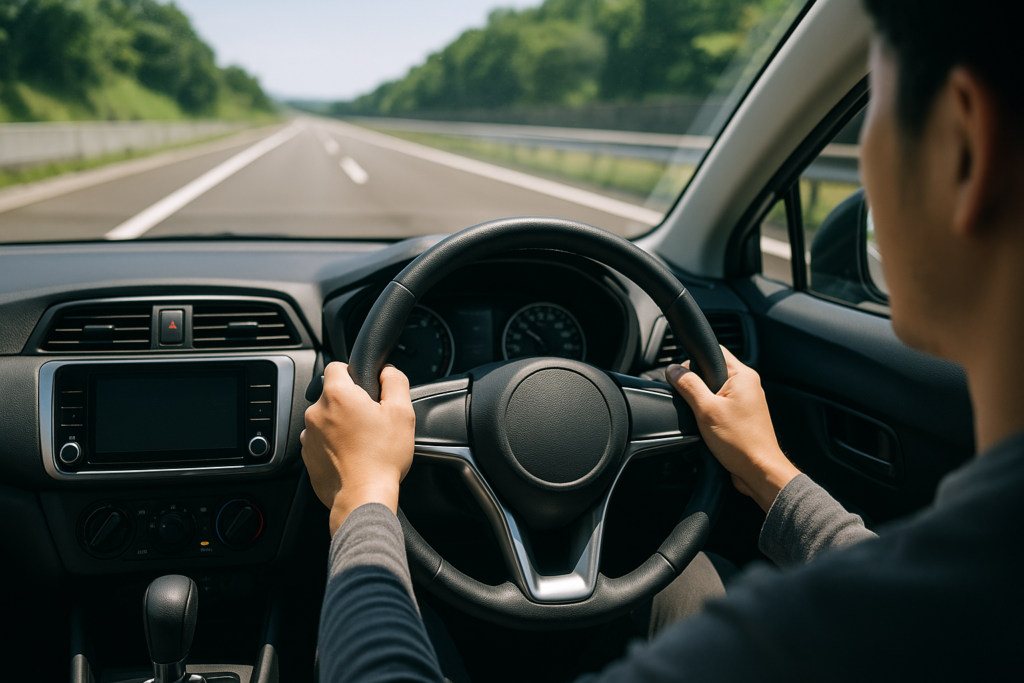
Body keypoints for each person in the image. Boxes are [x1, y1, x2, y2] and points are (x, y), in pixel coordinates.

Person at [300, 1, 1024, 679]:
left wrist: (363, 496)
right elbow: (888, 590)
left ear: (965, 145)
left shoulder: (771, 649)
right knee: (698, 574)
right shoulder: (953, 604)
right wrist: (769, 470)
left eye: (873, 111)